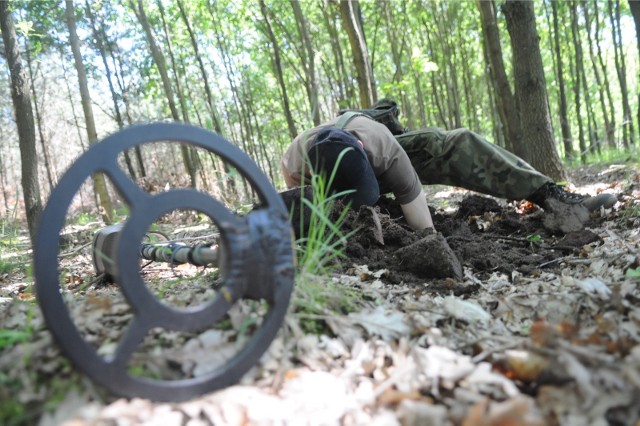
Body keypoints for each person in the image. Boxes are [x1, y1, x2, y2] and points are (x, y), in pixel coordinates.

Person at [280, 99, 617, 231]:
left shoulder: (389, 154)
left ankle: (553, 196)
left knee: (455, 142)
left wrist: (428, 240)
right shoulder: (293, 160)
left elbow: (423, 226)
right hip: (332, 167)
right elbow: (298, 206)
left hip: (370, 148)